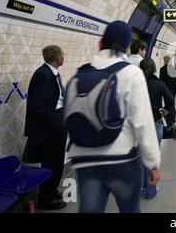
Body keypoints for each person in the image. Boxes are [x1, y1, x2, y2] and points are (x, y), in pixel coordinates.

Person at [66, 21, 161, 213]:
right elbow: (143, 123)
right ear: (126, 46)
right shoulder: (132, 73)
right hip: (121, 161)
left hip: (85, 161)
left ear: (100, 43)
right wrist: (153, 163)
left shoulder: (79, 74)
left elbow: (68, 117)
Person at [22, 45, 67, 210]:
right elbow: (37, 106)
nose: (64, 56)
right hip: (50, 129)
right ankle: (45, 200)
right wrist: (57, 122)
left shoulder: (53, 73)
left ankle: (52, 192)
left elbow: (56, 99)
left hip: (57, 126)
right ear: (56, 57)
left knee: (57, 163)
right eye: (62, 54)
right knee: (51, 164)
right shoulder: (43, 75)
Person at [139, 58, 175, 199]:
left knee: (140, 156)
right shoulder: (159, 84)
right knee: (152, 157)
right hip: (155, 123)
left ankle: (142, 186)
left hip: (139, 124)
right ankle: (150, 190)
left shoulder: (137, 84)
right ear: (154, 69)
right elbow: (171, 100)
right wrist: (165, 110)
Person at [159, 55, 176, 127]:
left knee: (168, 102)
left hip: (165, 90)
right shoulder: (174, 68)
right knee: (172, 102)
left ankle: (168, 117)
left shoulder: (162, 69)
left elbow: (161, 80)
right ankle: (172, 118)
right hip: (174, 89)